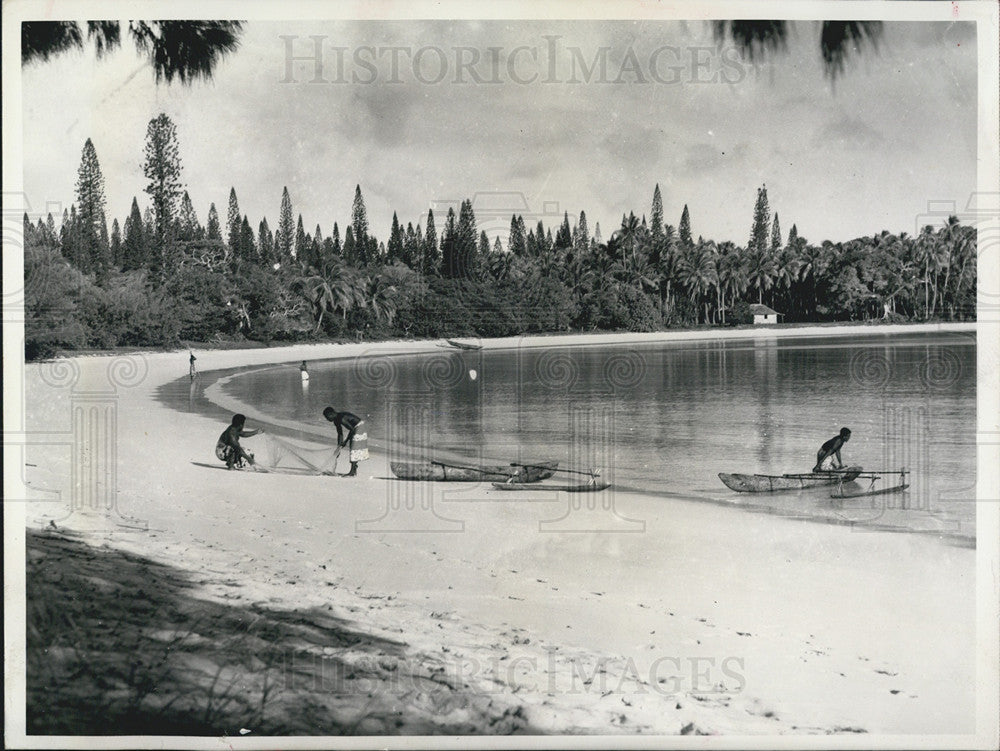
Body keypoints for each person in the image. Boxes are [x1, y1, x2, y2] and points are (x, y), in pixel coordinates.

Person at [323, 406, 368, 477]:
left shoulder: (341, 418)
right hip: (355, 428)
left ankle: (352, 472)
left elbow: (352, 429)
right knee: (353, 447)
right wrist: (339, 447)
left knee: (354, 448)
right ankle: (354, 470)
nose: (327, 419)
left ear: (331, 414)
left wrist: (346, 441)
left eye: (327, 417)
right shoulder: (336, 421)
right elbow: (340, 434)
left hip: (359, 426)